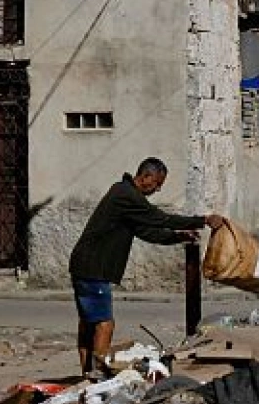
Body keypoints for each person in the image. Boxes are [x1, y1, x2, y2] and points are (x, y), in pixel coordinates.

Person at [69, 157, 222, 380]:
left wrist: (178, 237)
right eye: (157, 183)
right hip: (93, 267)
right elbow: (159, 218)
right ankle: (97, 377)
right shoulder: (126, 194)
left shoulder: (125, 195)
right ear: (146, 176)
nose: (157, 189)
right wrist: (202, 220)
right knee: (104, 324)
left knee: (89, 323)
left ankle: (87, 374)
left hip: (84, 265)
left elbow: (146, 231)